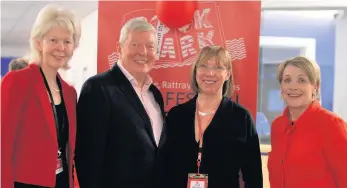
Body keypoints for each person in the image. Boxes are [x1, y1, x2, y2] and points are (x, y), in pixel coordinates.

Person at [75, 17, 166, 188]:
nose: (143, 52)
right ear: (119, 47)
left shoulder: (155, 95)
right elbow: (87, 159)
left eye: (150, 47)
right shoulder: (98, 88)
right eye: (135, 45)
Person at [1, 4, 81, 188]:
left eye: (67, 41)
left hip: (60, 181)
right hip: (25, 183)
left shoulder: (69, 92)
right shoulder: (17, 82)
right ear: (39, 43)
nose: (61, 47)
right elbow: (2, 147)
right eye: (53, 40)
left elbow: (68, 148)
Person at [161, 45, 263, 188]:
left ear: (227, 74)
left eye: (218, 67)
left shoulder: (241, 118)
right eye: (204, 65)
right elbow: (163, 169)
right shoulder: (176, 115)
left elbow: (253, 177)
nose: (210, 73)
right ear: (195, 71)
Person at [268, 56, 347, 188]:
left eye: (301, 80)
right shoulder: (277, 126)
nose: (293, 87)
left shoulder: (332, 125)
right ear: (281, 87)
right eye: (287, 80)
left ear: (315, 87)